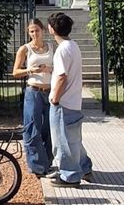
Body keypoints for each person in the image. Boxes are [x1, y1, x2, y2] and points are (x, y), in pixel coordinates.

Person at [48, 12, 92, 185]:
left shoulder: (61, 50)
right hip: (74, 101)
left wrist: (55, 99)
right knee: (74, 139)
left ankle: (70, 175)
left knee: (62, 141)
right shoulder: (73, 46)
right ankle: (85, 167)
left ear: (52, 29)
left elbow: (61, 76)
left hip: (63, 102)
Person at [12, 18, 55, 177]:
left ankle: (47, 162)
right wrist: (30, 70)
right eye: (31, 31)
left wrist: (50, 69)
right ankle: (37, 166)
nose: (35, 34)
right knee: (32, 128)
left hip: (49, 90)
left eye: (37, 30)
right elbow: (15, 72)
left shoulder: (51, 47)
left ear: (43, 30)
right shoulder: (25, 49)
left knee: (49, 128)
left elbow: (59, 67)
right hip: (33, 91)